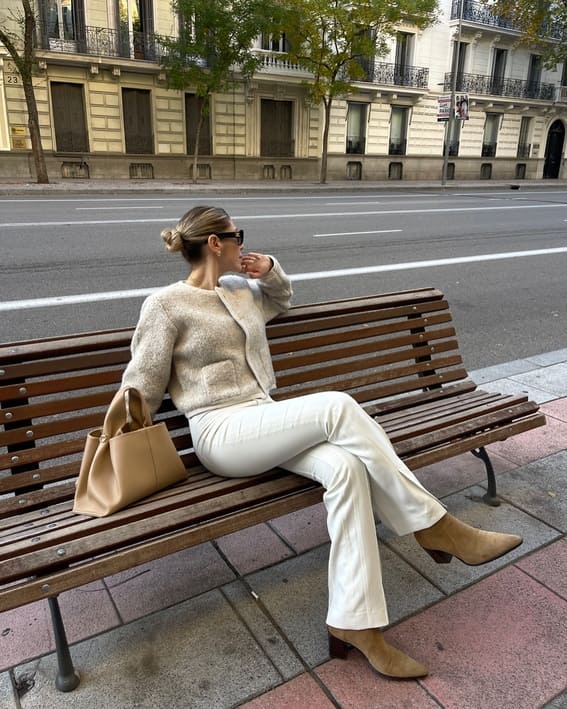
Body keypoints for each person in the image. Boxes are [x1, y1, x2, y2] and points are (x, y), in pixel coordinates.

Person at [122, 205, 522, 680]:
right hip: (219, 432)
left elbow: (282, 297)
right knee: (338, 406)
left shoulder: (240, 292)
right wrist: (124, 434)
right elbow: (141, 383)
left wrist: (270, 270)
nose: (242, 243)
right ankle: (434, 525)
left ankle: (357, 625)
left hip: (265, 419)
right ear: (215, 243)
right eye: (237, 235)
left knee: (346, 470)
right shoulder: (166, 304)